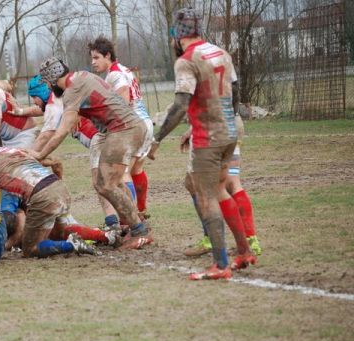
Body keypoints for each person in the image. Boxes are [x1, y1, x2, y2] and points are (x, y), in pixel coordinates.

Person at [147, 8, 256, 280]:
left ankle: (221, 265)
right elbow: (235, 90)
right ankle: (243, 250)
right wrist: (225, 121)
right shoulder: (220, 52)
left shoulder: (186, 60)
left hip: (209, 139)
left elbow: (181, 104)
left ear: (176, 34)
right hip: (229, 131)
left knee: (206, 196)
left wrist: (158, 137)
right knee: (218, 190)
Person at [34, 57, 152, 249]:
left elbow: (62, 131)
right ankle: (136, 224)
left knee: (106, 184)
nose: (47, 87)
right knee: (107, 182)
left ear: (52, 81)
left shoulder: (71, 92)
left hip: (123, 129)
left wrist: (39, 154)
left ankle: (140, 230)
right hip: (126, 126)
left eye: (47, 83)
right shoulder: (83, 75)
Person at [0, 126, 100, 258]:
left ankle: (72, 245)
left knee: (30, 249)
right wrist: (58, 180)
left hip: (42, 196)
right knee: (58, 234)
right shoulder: (17, 150)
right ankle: (107, 236)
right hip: (59, 187)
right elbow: (56, 163)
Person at [89, 36, 154, 219]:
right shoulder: (124, 69)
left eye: (96, 57)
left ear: (107, 55)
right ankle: (140, 210)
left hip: (134, 125)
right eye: (92, 58)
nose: (93, 62)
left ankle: (130, 220)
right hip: (145, 122)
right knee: (136, 170)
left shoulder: (114, 74)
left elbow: (124, 97)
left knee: (122, 174)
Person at [182, 114, 262, 257]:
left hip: (210, 127)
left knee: (195, 184)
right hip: (232, 120)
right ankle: (251, 241)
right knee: (232, 183)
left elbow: (198, 101)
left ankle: (210, 240)